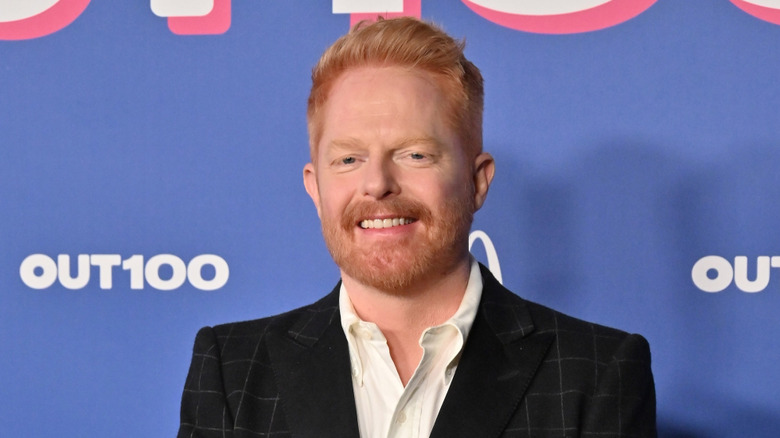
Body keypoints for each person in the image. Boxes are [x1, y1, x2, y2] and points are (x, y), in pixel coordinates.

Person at [178, 17, 656, 438]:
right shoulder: (232, 371)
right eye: (348, 159)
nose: (378, 184)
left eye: (415, 155)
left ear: (477, 180)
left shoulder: (595, 373)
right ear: (316, 188)